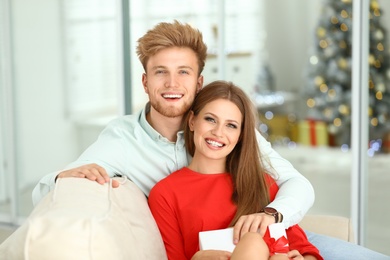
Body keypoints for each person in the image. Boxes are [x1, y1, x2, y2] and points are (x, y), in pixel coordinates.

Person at [31, 20, 390, 259]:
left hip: (277, 244)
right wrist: (66, 176)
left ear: (198, 82)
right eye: (161, 73)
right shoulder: (122, 140)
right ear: (145, 83)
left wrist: (272, 221)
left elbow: (296, 186)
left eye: (183, 72)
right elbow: (47, 189)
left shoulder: (238, 149)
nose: (172, 85)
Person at [148, 80, 323, 260]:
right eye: (210, 119)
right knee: (253, 243)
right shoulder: (165, 194)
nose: (218, 132)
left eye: (231, 125)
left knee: (265, 250)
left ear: (240, 136)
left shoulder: (261, 182)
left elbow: (306, 250)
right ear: (192, 121)